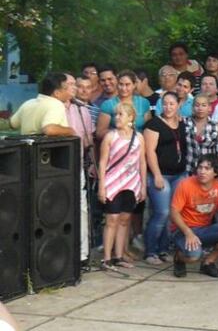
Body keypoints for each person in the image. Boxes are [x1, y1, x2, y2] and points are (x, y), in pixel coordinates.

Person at [169, 155, 218, 278]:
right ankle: (179, 258)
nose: (202, 171)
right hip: (182, 229)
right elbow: (174, 213)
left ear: (215, 172)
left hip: (204, 229)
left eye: (207, 168)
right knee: (195, 255)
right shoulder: (185, 185)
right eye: (200, 168)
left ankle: (208, 262)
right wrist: (188, 233)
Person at [98, 102, 146, 269]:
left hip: (131, 183)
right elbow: (103, 162)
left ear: (130, 117)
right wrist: (101, 185)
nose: (117, 118)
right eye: (115, 114)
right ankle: (107, 258)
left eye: (120, 114)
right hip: (113, 182)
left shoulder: (139, 137)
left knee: (125, 219)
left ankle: (119, 255)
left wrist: (143, 186)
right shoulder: (110, 136)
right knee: (112, 219)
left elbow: (142, 162)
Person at [143, 91, 187, 265]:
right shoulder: (153, 124)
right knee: (161, 212)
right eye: (165, 103)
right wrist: (157, 175)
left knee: (172, 214)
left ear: (178, 105)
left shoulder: (182, 122)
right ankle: (150, 251)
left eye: (172, 104)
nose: (168, 107)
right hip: (161, 174)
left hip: (179, 174)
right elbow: (150, 152)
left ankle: (163, 249)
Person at [66, 74, 96, 264]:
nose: (77, 89)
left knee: (82, 209)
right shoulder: (55, 107)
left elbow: (88, 140)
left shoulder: (81, 109)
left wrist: (92, 161)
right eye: (73, 85)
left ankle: (82, 254)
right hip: (55, 167)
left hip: (78, 164)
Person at [10, 72, 76, 136]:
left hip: (26, 146)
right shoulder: (56, 104)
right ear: (57, 93)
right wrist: (70, 130)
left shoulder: (28, 103)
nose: (74, 89)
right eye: (66, 88)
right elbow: (49, 129)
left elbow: (12, 124)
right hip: (47, 147)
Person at [96, 70, 152, 140]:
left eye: (127, 84)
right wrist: (121, 133)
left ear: (134, 85)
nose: (123, 88)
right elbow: (100, 133)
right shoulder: (108, 104)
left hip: (139, 145)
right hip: (116, 145)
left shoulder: (143, 103)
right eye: (121, 84)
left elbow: (149, 129)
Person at [182, 94, 218, 175]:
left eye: (204, 105)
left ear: (209, 108)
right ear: (192, 108)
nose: (200, 108)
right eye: (197, 105)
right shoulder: (184, 123)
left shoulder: (215, 126)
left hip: (208, 171)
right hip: (187, 168)